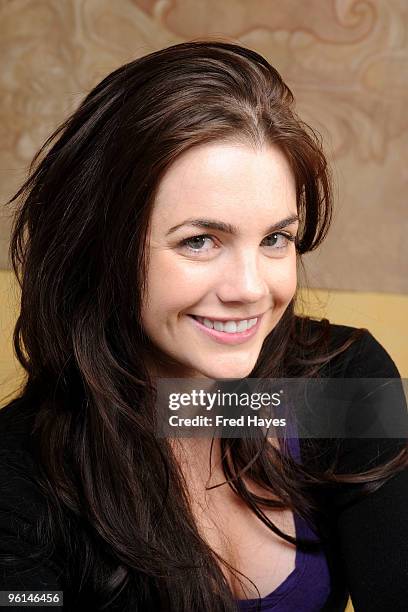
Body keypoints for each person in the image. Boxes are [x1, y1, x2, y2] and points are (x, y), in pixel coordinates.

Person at [0, 40, 407, 612]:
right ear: (99, 248)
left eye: (274, 239)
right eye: (199, 240)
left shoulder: (339, 388)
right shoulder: (18, 481)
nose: (250, 288)